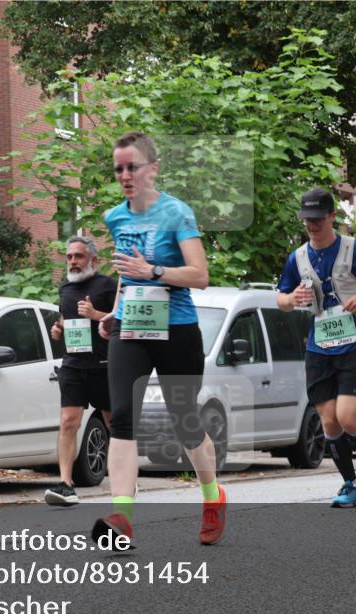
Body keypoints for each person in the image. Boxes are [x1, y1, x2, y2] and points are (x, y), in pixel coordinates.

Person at [93, 131, 226, 546]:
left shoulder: (177, 213)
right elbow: (124, 272)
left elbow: (200, 275)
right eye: (119, 169)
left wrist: (152, 270)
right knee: (122, 417)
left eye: (133, 167)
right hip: (132, 329)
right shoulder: (115, 217)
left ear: (153, 169)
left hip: (177, 329)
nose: (125, 175)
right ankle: (121, 517)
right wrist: (114, 311)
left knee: (185, 423)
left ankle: (212, 497)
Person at [276, 187, 356, 508]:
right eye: (307, 220)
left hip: (354, 343)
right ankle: (350, 484)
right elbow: (281, 298)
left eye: (318, 218)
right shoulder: (297, 258)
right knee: (328, 421)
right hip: (319, 347)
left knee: (346, 417)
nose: (312, 225)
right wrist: (292, 300)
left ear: (332, 216)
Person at [45, 236, 118, 506]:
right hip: (73, 365)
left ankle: (124, 481)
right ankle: (66, 485)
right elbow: (66, 318)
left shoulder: (108, 285)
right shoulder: (66, 288)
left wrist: (96, 314)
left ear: (93, 260)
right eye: (70, 257)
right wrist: (58, 330)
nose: (73, 262)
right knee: (68, 422)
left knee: (114, 424)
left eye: (79, 256)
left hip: (104, 365)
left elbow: (122, 319)